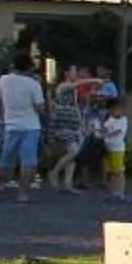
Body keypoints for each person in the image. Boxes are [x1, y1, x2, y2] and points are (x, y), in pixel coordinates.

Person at [0, 61, 46, 200]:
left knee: (5, 159)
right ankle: (23, 193)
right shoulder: (34, 84)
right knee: (28, 160)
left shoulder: (4, 80)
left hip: (11, 124)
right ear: (30, 69)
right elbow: (40, 108)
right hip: (31, 125)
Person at [45, 65, 91, 193]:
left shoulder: (74, 91)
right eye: (74, 71)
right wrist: (94, 80)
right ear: (66, 73)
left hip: (72, 125)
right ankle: (54, 172)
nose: (76, 74)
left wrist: (81, 124)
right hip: (62, 125)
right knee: (73, 151)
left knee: (72, 157)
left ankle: (67, 184)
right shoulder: (62, 86)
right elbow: (76, 84)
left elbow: (75, 107)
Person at [98, 91, 130, 198]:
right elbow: (103, 130)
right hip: (108, 148)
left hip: (117, 149)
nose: (113, 112)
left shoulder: (123, 120)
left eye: (115, 109)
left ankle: (120, 191)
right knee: (111, 171)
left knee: (119, 171)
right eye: (111, 110)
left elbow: (118, 132)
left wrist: (106, 132)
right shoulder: (109, 120)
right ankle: (114, 191)